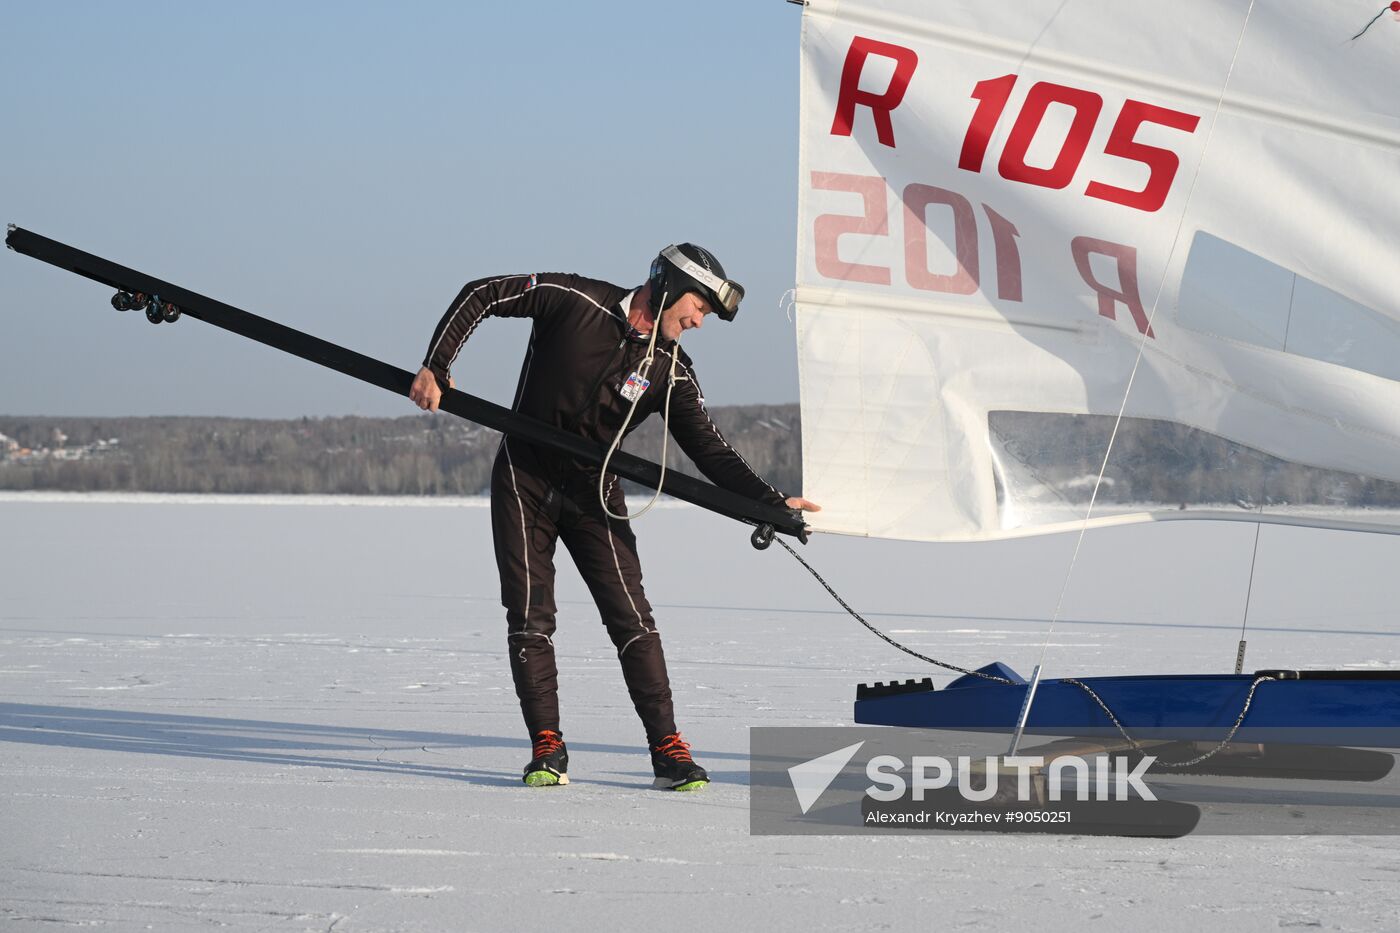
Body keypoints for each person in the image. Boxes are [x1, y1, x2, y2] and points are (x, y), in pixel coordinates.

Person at [408, 243, 819, 791]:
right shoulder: (576, 300)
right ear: (668, 285)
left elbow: (711, 451)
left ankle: (667, 749)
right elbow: (481, 294)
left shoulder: (669, 370)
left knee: (632, 618)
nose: (699, 321)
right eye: (698, 307)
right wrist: (438, 364)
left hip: (594, 492)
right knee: (530, 614)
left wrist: (770, 502)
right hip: (524, 478)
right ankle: (547, 747)